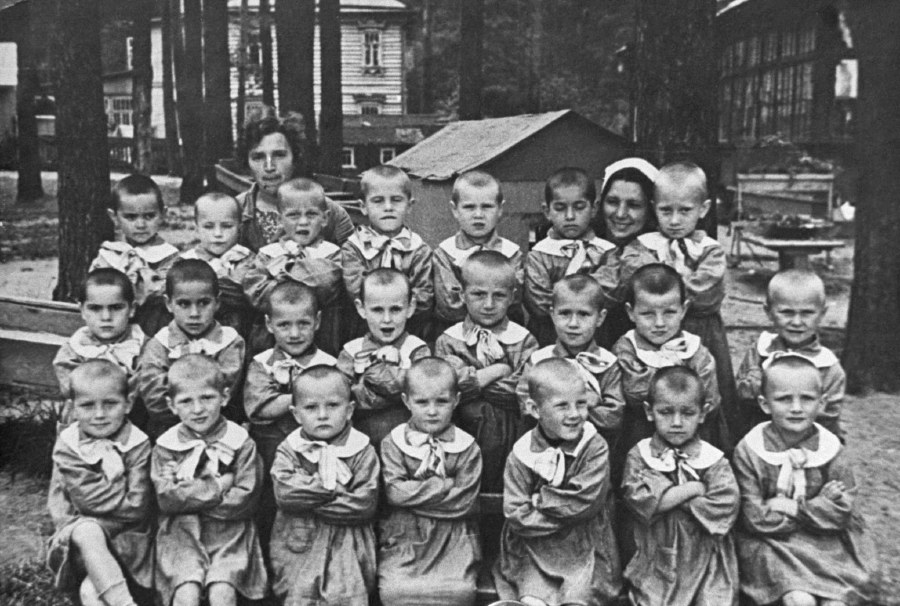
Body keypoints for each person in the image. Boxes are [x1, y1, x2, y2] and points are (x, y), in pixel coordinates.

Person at [734, 355, 874, 606]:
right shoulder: (750, 450)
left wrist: (794, 508)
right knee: (799, 599)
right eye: (784, 399)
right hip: (772, 543)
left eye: (807, 399)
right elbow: (754, 517)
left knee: (836, 603)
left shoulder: (831, 449)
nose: (796, 408)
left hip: (826, 543)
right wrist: (818, 507)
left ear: (822, 403)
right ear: (765, 404)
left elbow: (843, 511)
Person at [622, 161, 738, 447]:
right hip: (654, 330)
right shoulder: (642, 246)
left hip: (701, 330)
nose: (674, 221)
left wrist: (666, 282)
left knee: (701, 391)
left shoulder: (709, 250)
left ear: (704, 209)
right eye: (666, 211)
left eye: (685, 211)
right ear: (654, 208)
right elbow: (636, 278)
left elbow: (706, 292)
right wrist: (675, 283)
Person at [493, 358, 621, 606]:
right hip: (533, 545)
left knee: (579, 596)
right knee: (532, 597)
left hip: (585, 544)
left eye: (581, 403)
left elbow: (584, 502)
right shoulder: (522, 454)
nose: (574, 414)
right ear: (534, 409)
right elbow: (517, 513)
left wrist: (539, 500)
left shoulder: (594, 447)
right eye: (562, 406)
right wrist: (561, 515)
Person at [151, 355, 267, 606]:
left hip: (229, 533)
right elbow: (167, 499)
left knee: (222, 593)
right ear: (172, 405)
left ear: (224, 397)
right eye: (186, 401)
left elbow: (245, 498)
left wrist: (190, 498)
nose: (197, 409)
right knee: (186, 594)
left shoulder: (239, 442)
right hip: (180, 533)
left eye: (207, 398)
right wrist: (218, 486)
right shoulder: (167, 446)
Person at [621, 366, 739, 606]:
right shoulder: (641, 455)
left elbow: (725, 505)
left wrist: (665, 494)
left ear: (702, 413)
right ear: (650, 411)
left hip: (705, 556)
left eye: (687, 413)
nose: (676, 422)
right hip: (657, 554)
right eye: (666, 412)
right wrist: (692, 489)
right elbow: (640, 501)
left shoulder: (713, 460)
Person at [269, 365, 380, 606]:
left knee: (346, 594)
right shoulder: (290, 449)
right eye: (311, 407)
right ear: (296, 414)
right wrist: (332, 489)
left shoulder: (362, 450)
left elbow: (364, 503)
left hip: (348, 542)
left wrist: (309, 498)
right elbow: (285, 493)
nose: (322, 415)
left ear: (349, 410)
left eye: (332, 405)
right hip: (299, 538)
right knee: (299, 595)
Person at [47, 360, 153, 606]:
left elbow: (137, 506)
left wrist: (107, 501)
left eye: (110, 404)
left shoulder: (138, 443)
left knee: (90, 593)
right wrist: (121, 491)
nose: (99, 415)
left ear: (128, 404)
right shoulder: (69, 445)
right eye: (87, 405)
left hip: (129, 539)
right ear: (73, 408)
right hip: (77, 541)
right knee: (88, 530)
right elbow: (89, 500)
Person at [378, 357, 482, 606]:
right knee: (395, 590)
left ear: (456, 400)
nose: (432, 411)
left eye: (442, 401)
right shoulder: (393, 443)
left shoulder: (467, 447)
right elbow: (394, 492)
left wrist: (413, 497)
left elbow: (464, 501)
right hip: (405, 535)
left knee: (459, 591)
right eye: (422, 402)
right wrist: (443, 485)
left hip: (453, 537)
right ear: (406, 401)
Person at [243, 281, 337, 551]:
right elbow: (260, 408)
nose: (294, 334)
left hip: (315, 449)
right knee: (271, 506)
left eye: (303, 324)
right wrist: (305, 395)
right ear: (269, 324)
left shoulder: (329, 364)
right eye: (284, 325)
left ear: (317, 321)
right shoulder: (263, 364)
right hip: (272, 450)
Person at [435, 251, 538, 492]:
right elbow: (445, 388)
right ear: (462, 295)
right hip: (461, 427)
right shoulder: (449, 341)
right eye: (479, 294)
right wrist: (498, 371)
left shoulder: (524, 340)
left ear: (512, 297)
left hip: (511, 430)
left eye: (499, 295)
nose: (489, 304)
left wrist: (472, 383)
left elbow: (520, 391)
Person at [612, 264, 727, 469]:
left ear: (684, 310)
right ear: (631, 312)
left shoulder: (694, 349)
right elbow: (635, 395)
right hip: (640, 436)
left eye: (669, 312)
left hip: (692, 434)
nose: (659, 323)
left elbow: (710, 401)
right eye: (648, 314)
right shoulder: (626, 350)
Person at [134, 259, 245, 439]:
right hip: (169, 431)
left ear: (217, 302)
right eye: (184, 304)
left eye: (203, 303)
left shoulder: (229, 341)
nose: (194, 314)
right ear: (169, 304)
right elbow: (155, 398)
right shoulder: (159, 344)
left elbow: (226, 389)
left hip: (220, 428)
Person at [516, 274, 624, 450]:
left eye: (584, 314)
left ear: (600, 318)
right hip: (544, 447)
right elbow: (525, 404)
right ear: (552, 314)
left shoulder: (607, 363)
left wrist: (573, 409)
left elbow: (613, 416)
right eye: (565, 313)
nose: (573, 323)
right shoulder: (539, 359)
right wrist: (582, 401)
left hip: (592, 449)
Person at [736, 269, 845, 440]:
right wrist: (754, 386)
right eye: (787, 312)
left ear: (822, 313)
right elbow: (739, 398)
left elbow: (829, 419)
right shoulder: (760, 350)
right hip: (758, 439)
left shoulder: (828, 366)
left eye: (807, 313)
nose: (796, 322)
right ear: (768, 312)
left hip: (807, 444)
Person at [242, 178, 343, 355]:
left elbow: (327, 284)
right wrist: (300, 282)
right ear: (280, 219)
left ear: (325, 218)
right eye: (293, 215)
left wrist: (281, 277)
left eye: (311, 214)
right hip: (273, 337)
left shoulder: (331, 253)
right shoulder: (269, 253)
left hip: (323, 334)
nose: (303, 222)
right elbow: (256, 291)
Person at [238, 106, 354, 251]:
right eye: (258, 157)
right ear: (247, 162)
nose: (269, 167)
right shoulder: (233, 211)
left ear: (296, 157)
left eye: (279, 155)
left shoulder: (333, 214)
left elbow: (355, 261)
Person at [337, 268, 430, 446]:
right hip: (361, 439)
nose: (387, 319)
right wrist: (396, 385)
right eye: (377, 310)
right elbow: (343, 397)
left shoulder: (416, 349)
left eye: (395, 309)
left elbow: (420, 392)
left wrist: (368, 381)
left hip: (407, 438)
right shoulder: (351, 351)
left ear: (410, 307)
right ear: (361, 309)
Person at [524, 167, 616, 346]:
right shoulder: (539, 255)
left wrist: (562, 299)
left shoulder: (606, 253)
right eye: (560, 208)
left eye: (579, 207)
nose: (570, 216)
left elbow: (610, 294)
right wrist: (585, 301)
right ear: (547, 211)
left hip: (596, 339)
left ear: (594, 208)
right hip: (550, 338)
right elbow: (539, 302)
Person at [341, 165, 434, 339]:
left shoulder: (418, 250)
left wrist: (398, 313)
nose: (388, 207)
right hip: (362, 331)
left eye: (396, 200)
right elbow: (356, 291)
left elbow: (424, 296)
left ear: (409, 205)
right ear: (363, 206)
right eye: (378, 201)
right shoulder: (354, 248)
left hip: (410, 330)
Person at [432, 170, 524, 335]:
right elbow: (449, 306)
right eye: (469, 207)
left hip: (505, 334)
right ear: (455, 209)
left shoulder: (511, 254)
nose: (478, 215)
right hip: (456, 336)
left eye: (487, 207)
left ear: (500, 209)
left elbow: (514, 302)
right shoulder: (445, 253)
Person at [53, 268, 146, 427]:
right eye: (95, 308)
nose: (106, 317)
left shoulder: (141, 346)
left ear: (132, 309)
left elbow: (147, 382)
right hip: (85, 420)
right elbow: (70, 388)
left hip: (132, 418)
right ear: (82, 310)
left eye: (116, 308)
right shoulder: (76, 348)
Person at [90, 174, 179, 336]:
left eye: (149, 216)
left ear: (163, 214)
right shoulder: (109, 255)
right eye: (130, 217)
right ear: (114, 217)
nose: (140, 224)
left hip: (156, 330)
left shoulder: (170, 258)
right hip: (112, 329)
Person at [591, 157, 659, 348]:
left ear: (650, 209)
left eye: (634, 205)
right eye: (612, 202)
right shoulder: (586, 248)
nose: (620, 214)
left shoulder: (659, 255)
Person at [180, 192, 255, 337]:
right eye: (208, 227)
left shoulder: (247, 259)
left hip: (241, 332)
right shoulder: (187, 261)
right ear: (197, 229)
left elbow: (247, 295)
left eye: (227, 226)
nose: (218, 233)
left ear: (239, 228)